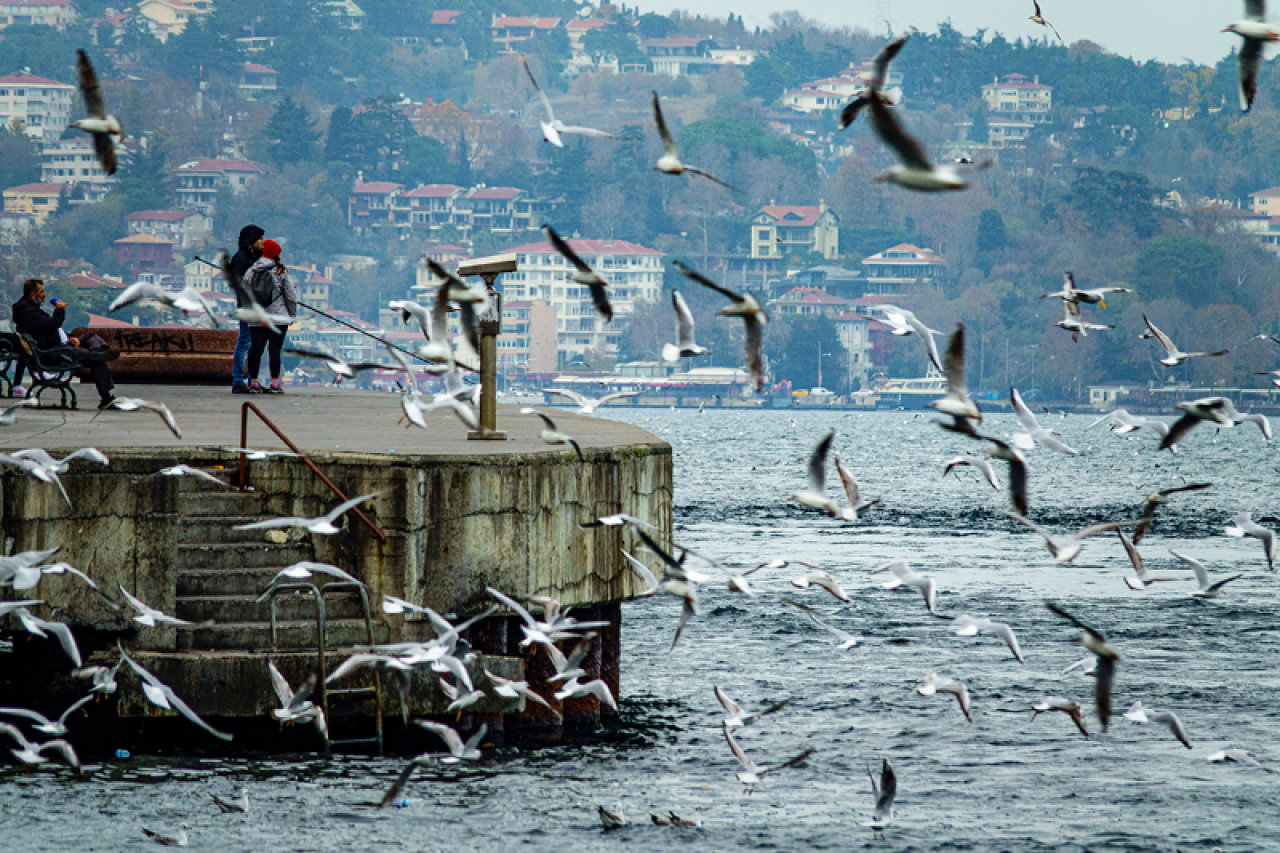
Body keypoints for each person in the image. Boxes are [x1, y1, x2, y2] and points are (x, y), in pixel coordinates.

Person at [11, 278, 117, 409]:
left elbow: (48, 330)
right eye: (42, 292)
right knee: (95, 359)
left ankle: (98, 350)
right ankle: (106, 396)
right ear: (33, 295)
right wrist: (59, 310)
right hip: (54, 353)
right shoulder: (30, 314)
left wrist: (69, 337)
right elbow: (52, 325)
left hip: (58, 346)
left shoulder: (27, 311)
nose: (44, 295)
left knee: (89, 336)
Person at [243, 240, 296, 394]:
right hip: (278, 318)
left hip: (257, 318)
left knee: (256, 349)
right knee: (275, 350)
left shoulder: (251, 271)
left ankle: (253, 383)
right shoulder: (281, 271)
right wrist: (291, 315)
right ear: (276, 254)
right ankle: (274, 384)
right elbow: (291, 296)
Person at [229, 224, 265, 394]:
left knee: (255, 344)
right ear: (252, 241)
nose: (263, 242)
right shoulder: (239, 259)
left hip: (260, 306)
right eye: (260, 239)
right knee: (244, 341)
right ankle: (238, 380)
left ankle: (253, 380)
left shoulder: (258, 257)